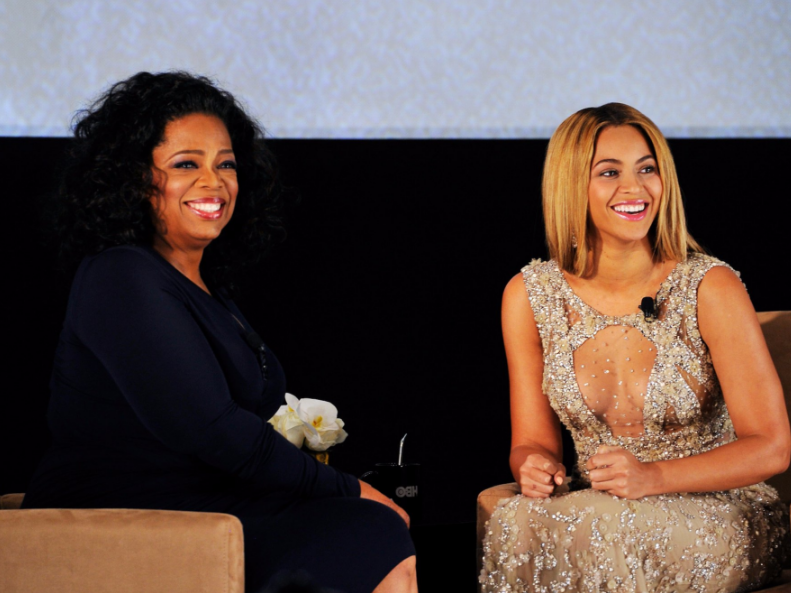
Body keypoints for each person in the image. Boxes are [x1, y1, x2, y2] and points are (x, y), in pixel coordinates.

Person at [22, 71, 417, 593]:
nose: (214, 182)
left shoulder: (204, 287)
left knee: (376, 533)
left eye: (225, 164)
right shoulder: (121, 276)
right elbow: (213, 430)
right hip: (124, 522)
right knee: (368, 529)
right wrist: (347, 489)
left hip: (211, 510)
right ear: (136, 178)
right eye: (187, 164)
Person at [480, 103, 790, 593]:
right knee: (519, 520)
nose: (635, 189)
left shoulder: (709, 285)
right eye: (609, 172)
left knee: (603, 530)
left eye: (647, 169)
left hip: (723, 509)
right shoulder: (530, 295)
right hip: (598, 504)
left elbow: (771, 447)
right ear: (570, 186)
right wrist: (533, 467)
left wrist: (653, 477)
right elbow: (531, 442)